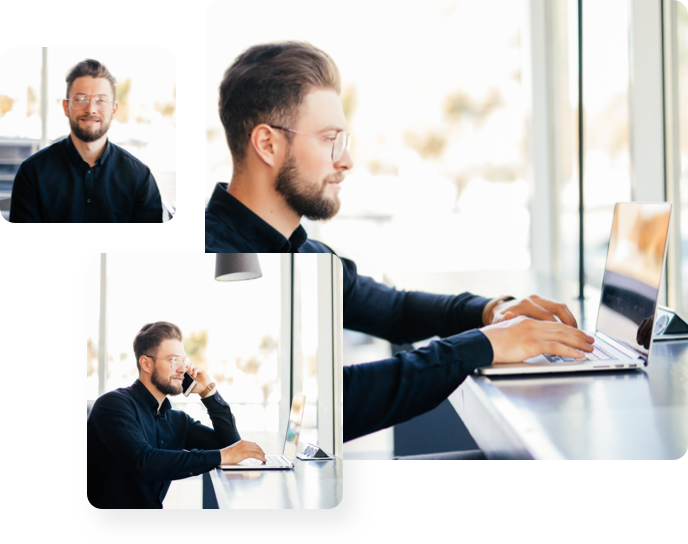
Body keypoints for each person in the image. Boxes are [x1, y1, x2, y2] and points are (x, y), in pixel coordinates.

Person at [207, 42, 595, 457]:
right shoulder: (219, 259)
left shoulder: (303, 253)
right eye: (330, 140)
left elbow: (395, 311)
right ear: (267, 144)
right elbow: (317, 401)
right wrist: (483, 344)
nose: (347, 160)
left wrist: (491, 312)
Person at [87, 321, 266, 509]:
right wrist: (222, 456)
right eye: (174, 360)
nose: (182, 370)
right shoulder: (113, 405)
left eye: (183, 361)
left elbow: (232, 447)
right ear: (146, 363)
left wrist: (208, 393)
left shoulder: (177, 420)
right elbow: (144, 462)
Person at [10, 58, 162, 223]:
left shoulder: (139, 177)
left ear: (114, 109)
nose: (91, 109)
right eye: (81, 99)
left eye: (101, 100)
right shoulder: (32, 173)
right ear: (66, 107)